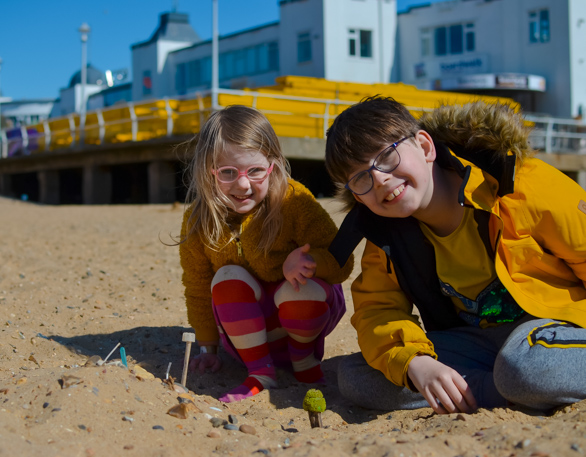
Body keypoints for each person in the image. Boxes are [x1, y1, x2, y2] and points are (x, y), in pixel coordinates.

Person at [324, 96, 586, 414]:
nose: (379, 179)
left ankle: (512, 386)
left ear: (424, 147)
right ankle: (499, 391)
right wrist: (417, 363)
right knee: (356, 375)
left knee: (526, 367)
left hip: (552, 331)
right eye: (361, 178)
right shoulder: (384, 235)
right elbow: (377, 311)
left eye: (387, 157)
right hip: (475, 344)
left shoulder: (517, 184)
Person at [178, 105, 354, 403]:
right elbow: (196, 288)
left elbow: (342, 261)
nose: (243, 184)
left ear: (273, 165)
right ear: (208, 171)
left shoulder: (294, 200)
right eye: (228, 172)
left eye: (256, 171)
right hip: (247, 339)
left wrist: (308, 263)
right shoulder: (199, 220)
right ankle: (260, 372)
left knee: (300, 288)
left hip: (305, 325)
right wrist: (208, 349)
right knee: (226, 276)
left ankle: (304, 361)